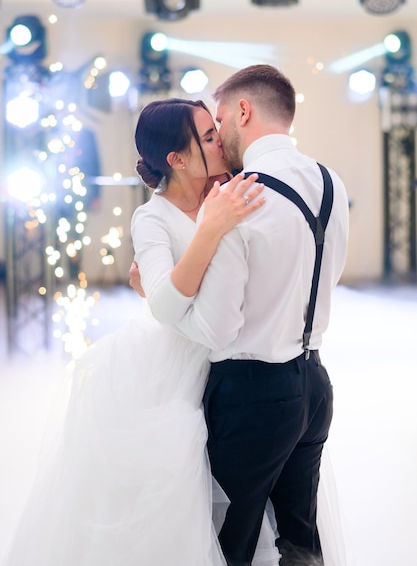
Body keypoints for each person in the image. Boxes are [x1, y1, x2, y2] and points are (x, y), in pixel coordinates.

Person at [2, 97, 280, 566]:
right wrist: (207, 234)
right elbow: (168, 305)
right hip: (173, 368)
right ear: (178, 159)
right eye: (208, 137)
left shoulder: (231, 190)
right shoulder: (151, 218)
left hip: (242, 357)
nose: (220, 141)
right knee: (181, 499)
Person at [130, 65, 349, 566]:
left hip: (251, 393)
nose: (218, 135)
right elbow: (323, 277)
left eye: (218, 123)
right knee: (299, 543)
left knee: (231, 546)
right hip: (314, 382)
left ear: (242, 113)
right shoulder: (329, 181)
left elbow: (216, 328)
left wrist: (157, 297)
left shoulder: (236, 198)